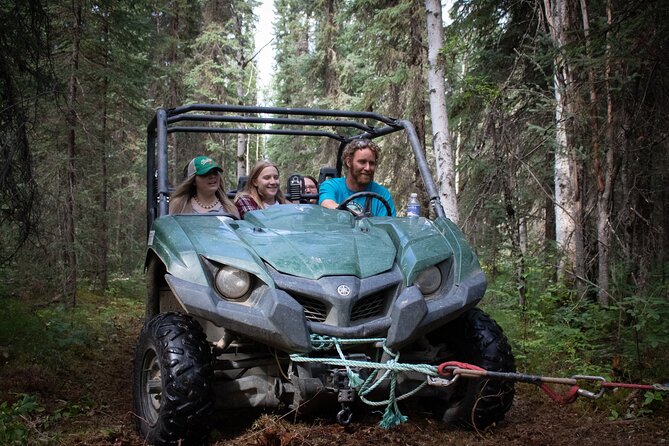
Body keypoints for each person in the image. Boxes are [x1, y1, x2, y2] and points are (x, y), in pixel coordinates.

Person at [319, 139, 396, 216]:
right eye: (362, 162)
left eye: (372, 163)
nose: (368, 168)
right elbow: (327, 204)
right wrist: (359, 216)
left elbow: (387, 222)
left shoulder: (382, 194)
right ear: (349, 162)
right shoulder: (331, 186)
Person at [169, 156, 239, 216]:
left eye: (215, 172)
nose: (212, 176)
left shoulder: (230, 208)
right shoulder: (179, 205)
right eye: (206, 173)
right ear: (193, 181)